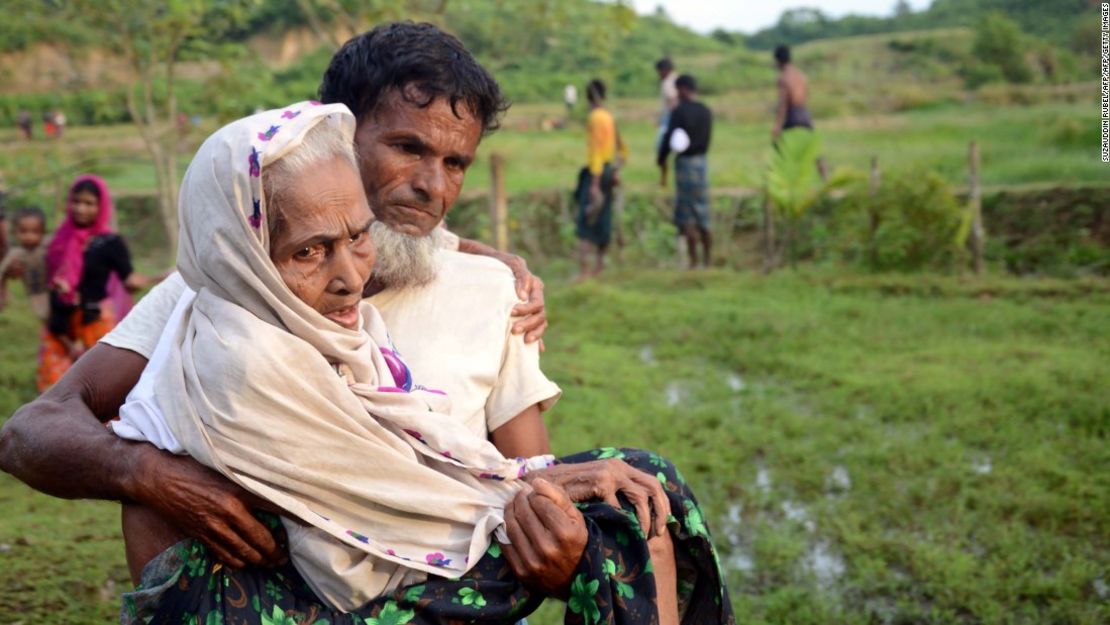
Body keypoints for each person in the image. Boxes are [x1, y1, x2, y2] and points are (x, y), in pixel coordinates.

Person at [0, 21, 673, 617]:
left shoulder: (492, 290)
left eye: (455, 162)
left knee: (645, 498)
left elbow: (529, 481)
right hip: (264, 601)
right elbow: (30, 431)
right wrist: (148, 474)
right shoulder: (222, 287)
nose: (433, 186)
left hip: (442, 594)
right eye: (408, 148)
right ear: (330, 133)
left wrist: (563, 553)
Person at [108, 102, 731, 624]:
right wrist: (538, 491)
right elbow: (397, 495)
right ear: (240, 253)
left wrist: (537, 479)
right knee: (620, 530)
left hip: (391, 540)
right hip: (318, 595)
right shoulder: (245, 358)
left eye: (357, 237)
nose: (350, 277)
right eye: (309, 253)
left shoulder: (309, 320)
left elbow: (414, 455)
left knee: (643, 483)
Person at [36, 175, 157, 391]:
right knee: (55, 388)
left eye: (89, 203)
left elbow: (129, 281)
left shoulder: (110, 243)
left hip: (95, 322)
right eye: (76, 201)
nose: (80, 209)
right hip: (61, 324)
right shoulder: (59, 240)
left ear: (101, 207)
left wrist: (161, 278)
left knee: (99, 387)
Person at [658, 74, 713, 269]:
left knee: (688, 214)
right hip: (702, 163)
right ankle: (707, 260)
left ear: (683, 89)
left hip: (685, 165)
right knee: (703, 212)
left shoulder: (679, 112)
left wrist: (661, 160)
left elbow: (668, 140)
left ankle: (693, 261)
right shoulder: (706, 111)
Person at [574, 79, 626, 280]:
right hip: (608, 170)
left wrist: (594, 184)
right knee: (604, 218)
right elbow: (623, 149)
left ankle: (585, 271)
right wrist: (615, 171)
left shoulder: (595, 118)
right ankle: (599, 267)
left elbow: (596, 151)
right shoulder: (609, 116)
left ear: (588, 97)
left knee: (586, 220)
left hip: (597, 173)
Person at [772, 45, 828, 180]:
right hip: (804, 113)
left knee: (781, 149)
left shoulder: (783, 78)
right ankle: (826, 179)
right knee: (814, 149)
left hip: (792, 116)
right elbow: (806, 95)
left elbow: (783, 104)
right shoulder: (800, 75)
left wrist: (777, 125)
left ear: (778, 61)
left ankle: (778, 182)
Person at [0, 206, 51, 321]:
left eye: (35, 232)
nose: (29, 237)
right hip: (33, 293)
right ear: (15, 232)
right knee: (44, 316)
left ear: (43, 232)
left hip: (50, 289)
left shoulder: (45, 247)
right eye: (23, 231)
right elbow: (2, 269)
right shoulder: (16, 253)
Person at [655, 57, 679, 151]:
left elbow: (673, 100)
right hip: (675, 116)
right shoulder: (676, 78)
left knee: (661, 145)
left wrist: (661, 120)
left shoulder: (667, 82)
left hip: (669, 117)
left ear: (664, 70)